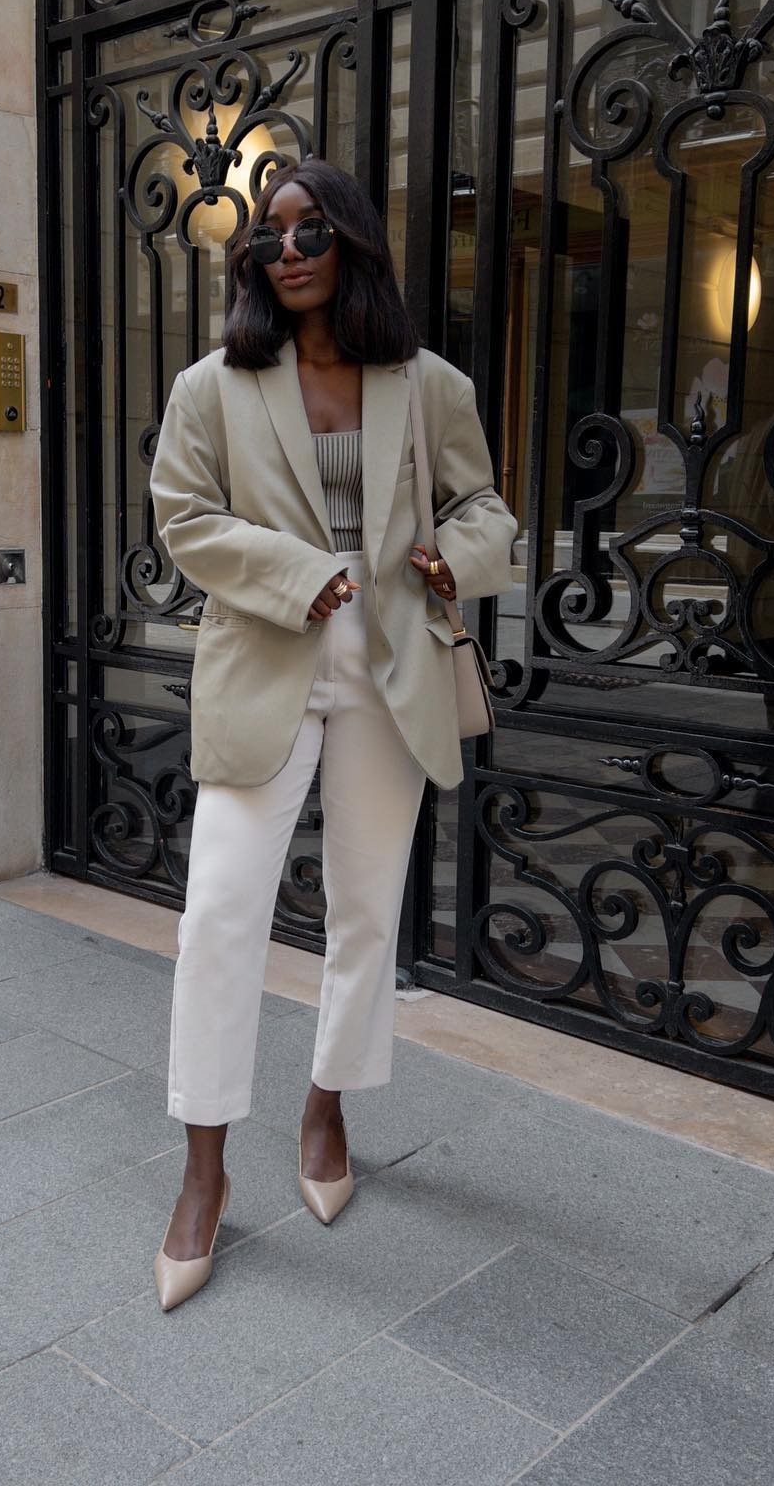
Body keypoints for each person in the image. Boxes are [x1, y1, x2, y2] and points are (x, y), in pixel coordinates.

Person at [146, 157, 517, 1310]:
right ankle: (202, 1171)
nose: (289, 251)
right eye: (271, 236)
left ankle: (327, 1108)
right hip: (267, 657)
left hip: (394, 668)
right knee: (219, 915)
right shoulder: (214, 385)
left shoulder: (427, 384)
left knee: (364, 910)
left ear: (354, 244)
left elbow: (486, 507)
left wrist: (457, 556)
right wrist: (302, 572)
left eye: (312, 231)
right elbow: (184, 519)